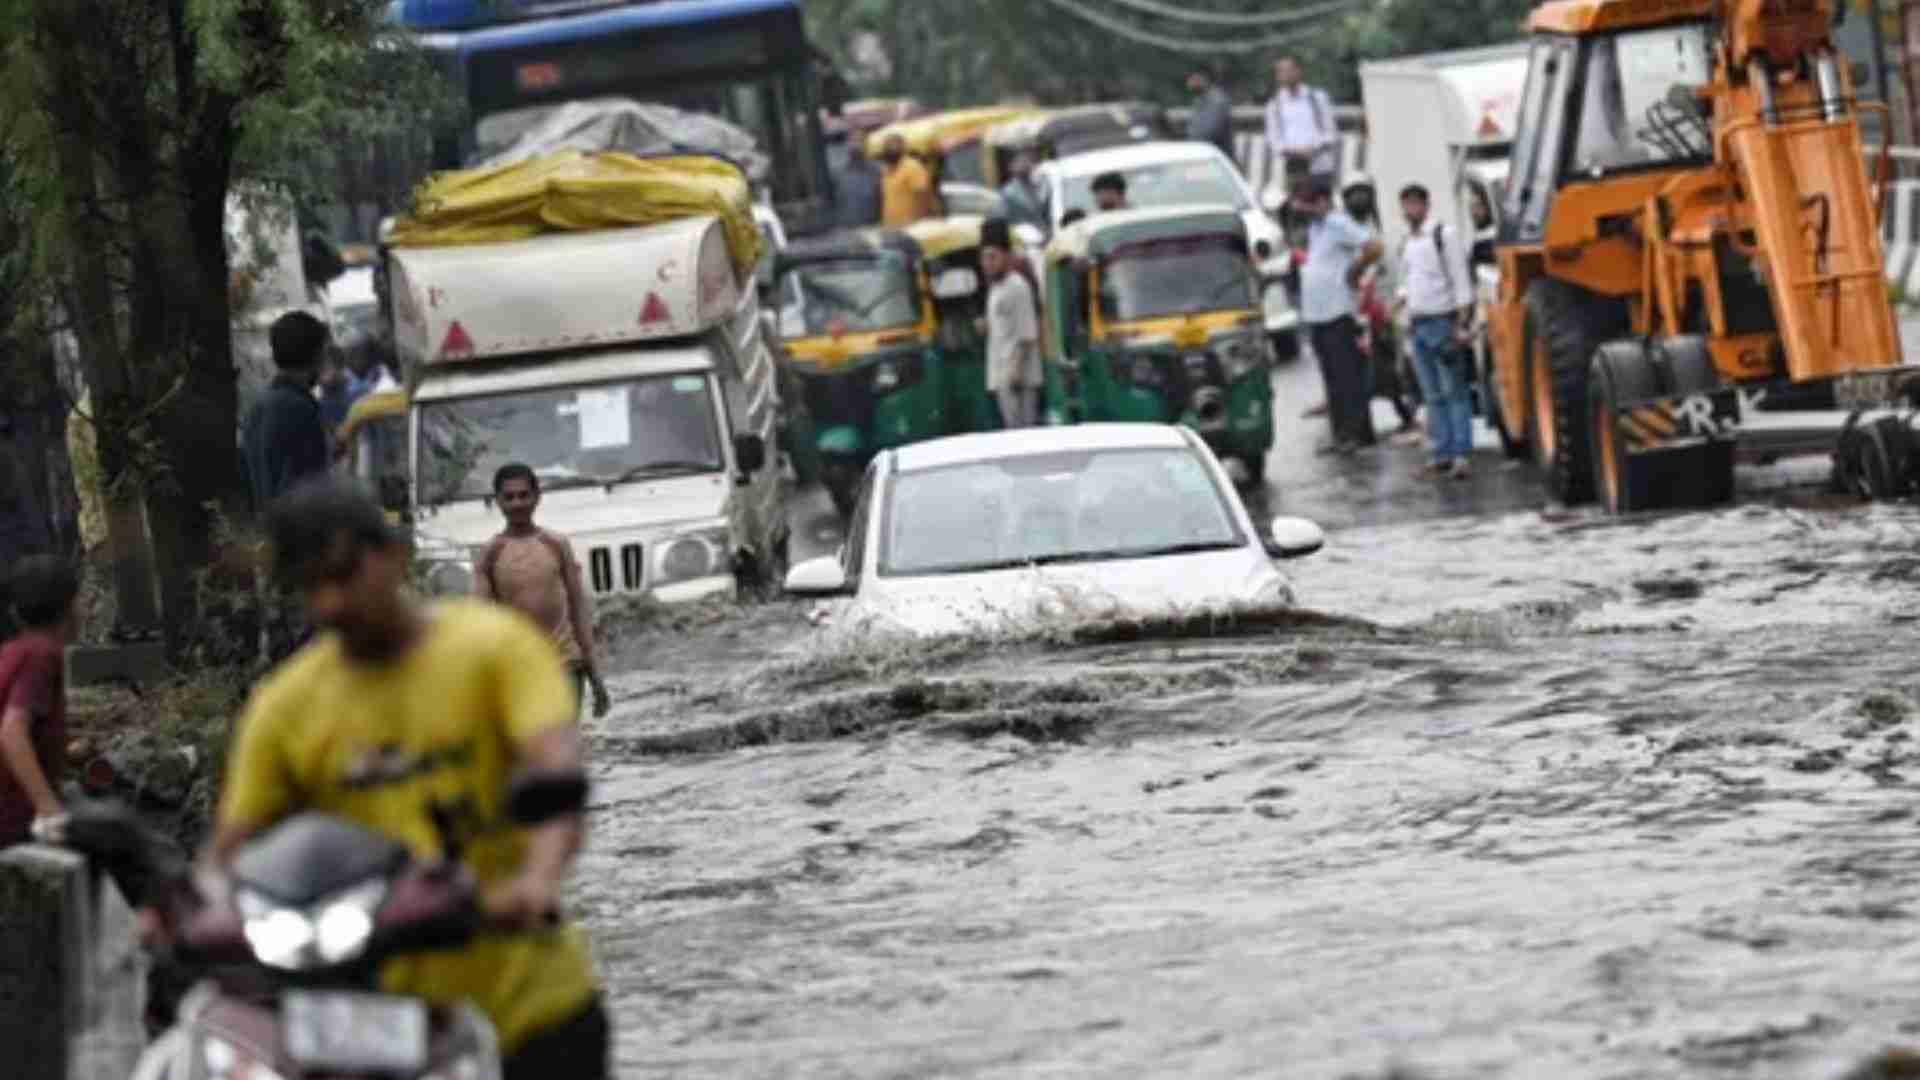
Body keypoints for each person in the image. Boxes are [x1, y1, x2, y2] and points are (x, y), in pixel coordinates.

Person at [183, 478, 608, 1077]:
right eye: (310, 588)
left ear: (392, 556)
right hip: (374, 1027)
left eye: (342, 575)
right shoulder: (285, 706)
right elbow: (230, 848)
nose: (329, 603)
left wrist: (536, 881)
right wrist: (197, 914)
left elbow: (553, 767)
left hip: (529, 1003)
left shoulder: (497, 649)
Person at [474, 464, 611, 721]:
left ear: (537, 497)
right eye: (509, 497)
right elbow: (480, 623)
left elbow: (578, 608)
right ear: (498, 502)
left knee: (564, 746)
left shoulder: (557, 544)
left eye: (524, 495)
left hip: (566, 663)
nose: (517, 503)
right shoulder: (490, 553)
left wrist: (595, 674)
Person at [1294, 176, 1384, 454]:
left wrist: (1355, 271)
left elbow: (1373, 246)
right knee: (1331, 376)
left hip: (1336, 312)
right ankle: (1341, 431)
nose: (1304, 210)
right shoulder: (1316, 228)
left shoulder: (1337, 224)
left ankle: (1357, 433)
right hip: (1318, 314)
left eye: (1309, 204)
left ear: (1323, 201)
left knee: (1347, 376)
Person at [1396, 183, 1477, 479]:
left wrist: (1462, 322)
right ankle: (1441, 452)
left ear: (1426, 205)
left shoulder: (1444, 235)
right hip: (1417, 323)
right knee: (1431, 394)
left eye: (1416, 204)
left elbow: (1460, 280)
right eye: (1406, 205)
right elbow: (1406, 280)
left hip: (1443, 321)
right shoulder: (1406, 240)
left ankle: (1461, 454)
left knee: (1453, 390)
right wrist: (1402, 307)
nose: (1411, 210)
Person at [0, 555, 79, 848]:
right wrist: (48, 808)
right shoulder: (41, 655)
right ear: (69, 609)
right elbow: (11, 732)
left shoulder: (12, 651)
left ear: (15, 614)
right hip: (18, 819)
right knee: (124, 829)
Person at [1342, 175, 1419, 440]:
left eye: (1362, 193)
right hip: (1357, 311)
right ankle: (1364, 426)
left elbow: (1387, 274)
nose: (1358, 199)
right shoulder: (1348, 233)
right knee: (1366, 370)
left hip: (1380, 312)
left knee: (1388, 369)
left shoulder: (1376, 235)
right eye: (1354, 194)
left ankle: (1405, 414)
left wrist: (1385, 308)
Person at [243, 310, 332, 510]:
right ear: (315, 355)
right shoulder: (299, 409)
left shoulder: (258, 407)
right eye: (324, 353)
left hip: (272, 532)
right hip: (301, 533)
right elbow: (309, 488)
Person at [982, 221, 1041, 429]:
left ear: (1007, 256)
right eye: (985, 257)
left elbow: (1027, 333)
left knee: (1023, 433)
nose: (987, 263)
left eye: (993, 257)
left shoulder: (1018, 286)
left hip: (1018, 376)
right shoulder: (996, 287)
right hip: (1001, 373)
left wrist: (1015, 371)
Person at [1265, 56, 1339, 194]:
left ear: (1298, 71)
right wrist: (1294, 151)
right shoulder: (1274, 105)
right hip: (1294, 170)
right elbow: (1273, 140)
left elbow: (1331, 133)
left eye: (1289, 70)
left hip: (1320, 167)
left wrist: (1312, 148)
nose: (1285, 75)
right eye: (1281, 71)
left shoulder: (1317, 98)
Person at [879, 133, 935, 226]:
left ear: (903, 148)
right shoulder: (885, 170)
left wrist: (920, 223)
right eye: (888, 147)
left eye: (895, 146)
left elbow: (923, 196)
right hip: (890, 226)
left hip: (910, 226)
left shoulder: (913, 167)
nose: (891, 149)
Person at [1186, 67, 1236, 162]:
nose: (1189, 83)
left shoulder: (1217, 101)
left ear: (1204, 79)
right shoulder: (1199, 101)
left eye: (1192, 78)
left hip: (1218, 159)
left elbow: (1208, 133)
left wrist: (1187, 142)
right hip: (1202, 156)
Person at [836, 130, 884, 228]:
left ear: (866, 144)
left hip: (874, 227)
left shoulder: (878, 171)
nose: (855, 145)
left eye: (859, 141)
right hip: (848, 230)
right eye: (852, 141)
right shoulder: (839, 173)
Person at [999, 150, 1048, 235]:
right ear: (1012, 167)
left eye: (1027, 161)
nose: (1026, 165)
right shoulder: (1009, 192)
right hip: (1025, 235)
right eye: (1021, 162)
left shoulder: (1036, 185)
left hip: (1042, 232)